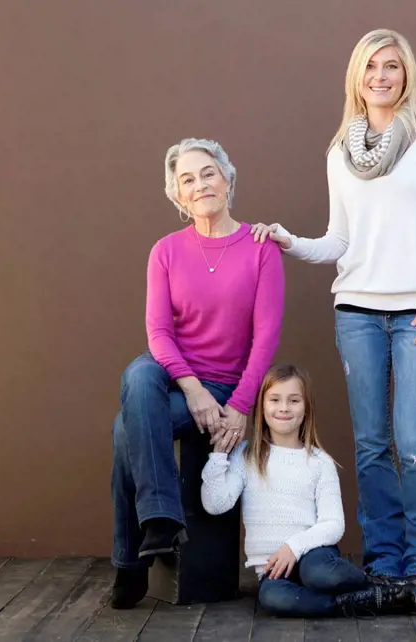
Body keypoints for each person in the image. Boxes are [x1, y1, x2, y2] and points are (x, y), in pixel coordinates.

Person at [251, 28, 416, 605]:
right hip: (357, 311)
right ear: (356, 75)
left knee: (414, 441)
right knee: (372, 444)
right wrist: (290, 241)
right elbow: (340, 240)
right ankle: (385, 560)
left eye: (391, 66)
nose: (381, 75)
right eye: (371, 66)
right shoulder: (339, 152)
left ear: (407, 74)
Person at [110, 137, 285, 609]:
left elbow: (266, 337)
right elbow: (158, 332)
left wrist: (239, 406)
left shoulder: (260, 247)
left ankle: (132, 558)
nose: (200, 184)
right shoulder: (165, 250)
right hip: (172, 373)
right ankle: (162, 520)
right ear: (179, 196)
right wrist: (192, 391)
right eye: (188, 179)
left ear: (227, 179)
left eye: (208, 173)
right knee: (140, 375)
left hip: (224, 381)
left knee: (124, 427)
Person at [201, 364, 416, 617]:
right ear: (261, 407)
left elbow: (333, 524)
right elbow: (216, 503)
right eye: (274, 400)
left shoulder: (320, 462)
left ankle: (375, 585)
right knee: (272, 598)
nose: (284, 408)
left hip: (313, 554)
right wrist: (218, 456)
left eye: (294, 400)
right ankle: (367, 600)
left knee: (320, 575)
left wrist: (293, 547)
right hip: (273, 569)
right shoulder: (247, 456)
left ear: (306, 408)